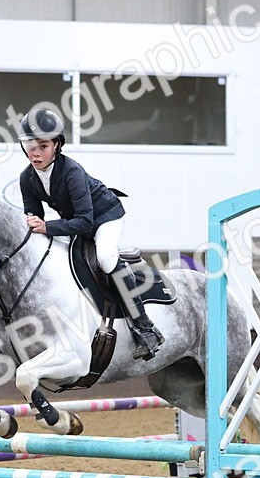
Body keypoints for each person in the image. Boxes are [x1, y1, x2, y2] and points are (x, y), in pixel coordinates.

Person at [17, 107, 164, 361]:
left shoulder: (72, 172)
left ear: (56, 145)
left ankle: (145, 327)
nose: (36, 153)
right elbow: (34, 218)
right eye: (30, 146)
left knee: (105, 257)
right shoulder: (26, 178)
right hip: (76, 220)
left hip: (104, 216)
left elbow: (85, 223)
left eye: (43, 146)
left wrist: (47, 227)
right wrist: (34, 224)